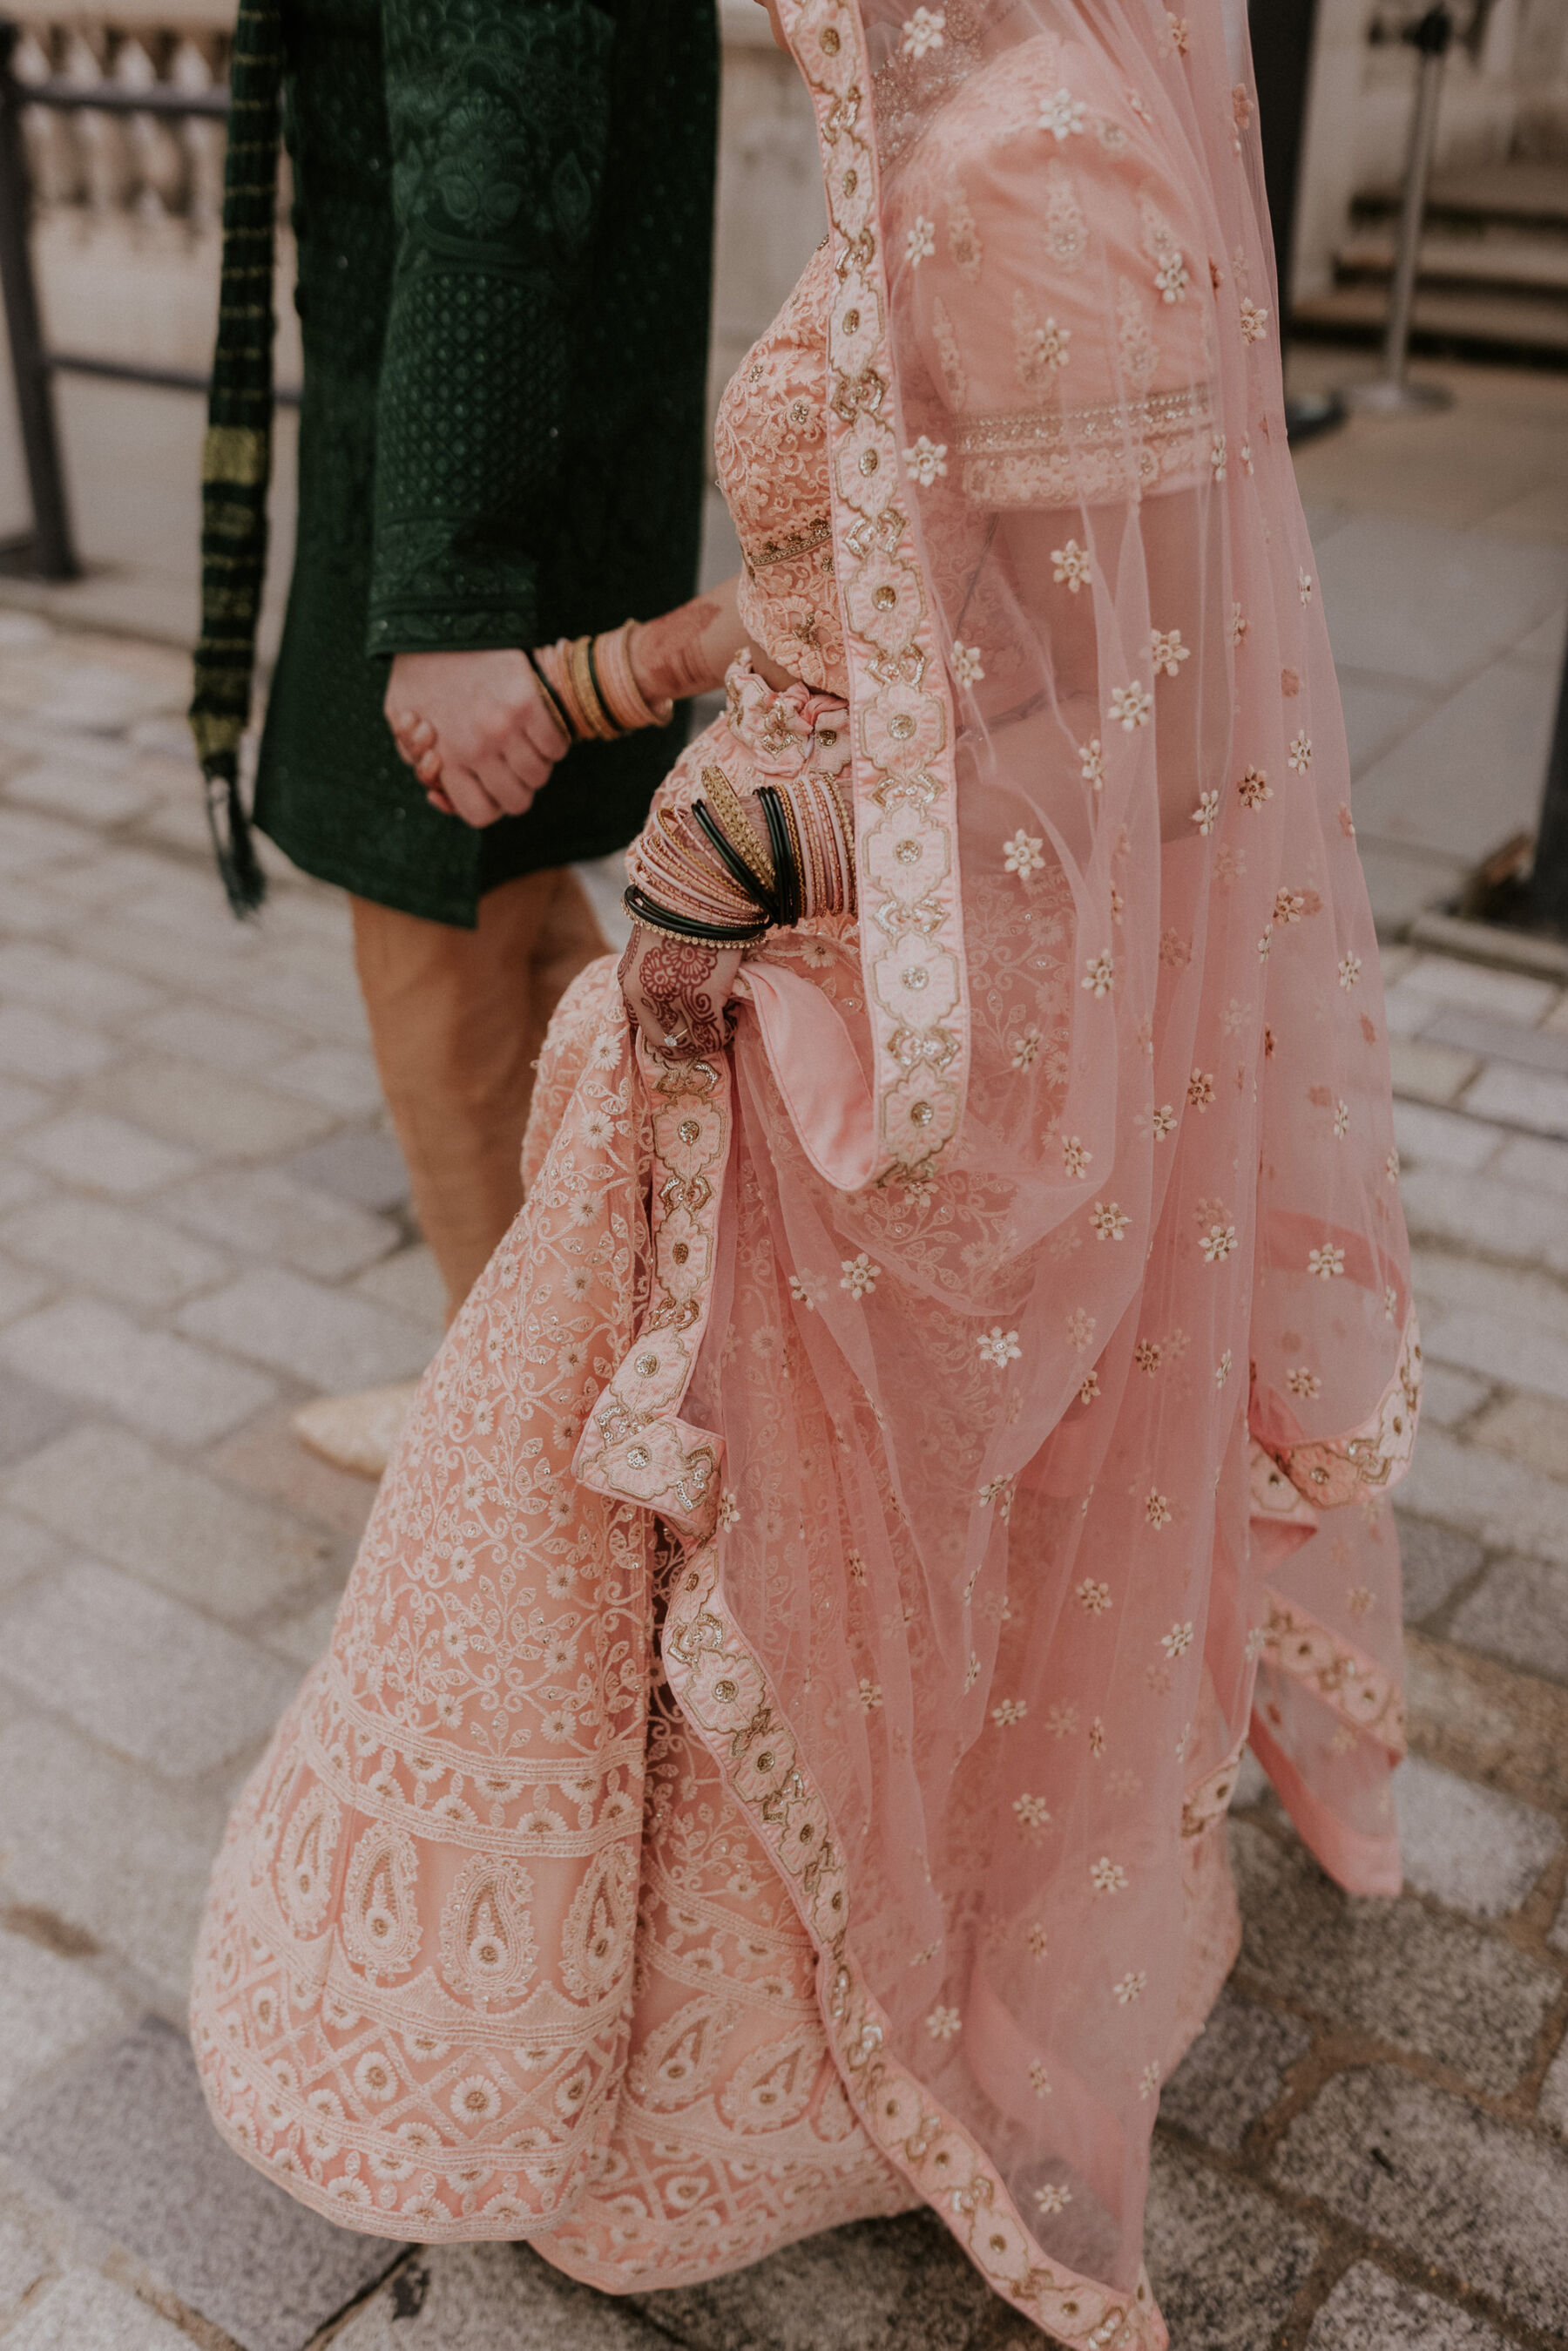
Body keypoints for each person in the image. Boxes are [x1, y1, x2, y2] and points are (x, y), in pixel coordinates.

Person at [190, 0, 1419, 2337]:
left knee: (772, 1521)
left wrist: (768, 844)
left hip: (876, 999)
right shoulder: (974, 135)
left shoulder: (1035, 177)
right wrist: (594, 682)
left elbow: (1120, 735)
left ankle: (792, 2064)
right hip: (807, 947)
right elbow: (859, 568)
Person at [188, 0, 718, 1469]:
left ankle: (521, 1470)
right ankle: (612, 1385)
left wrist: (452, 594)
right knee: (520, 940)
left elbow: (490, 135)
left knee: (432, 938)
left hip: (480, 464)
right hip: (497, 429)